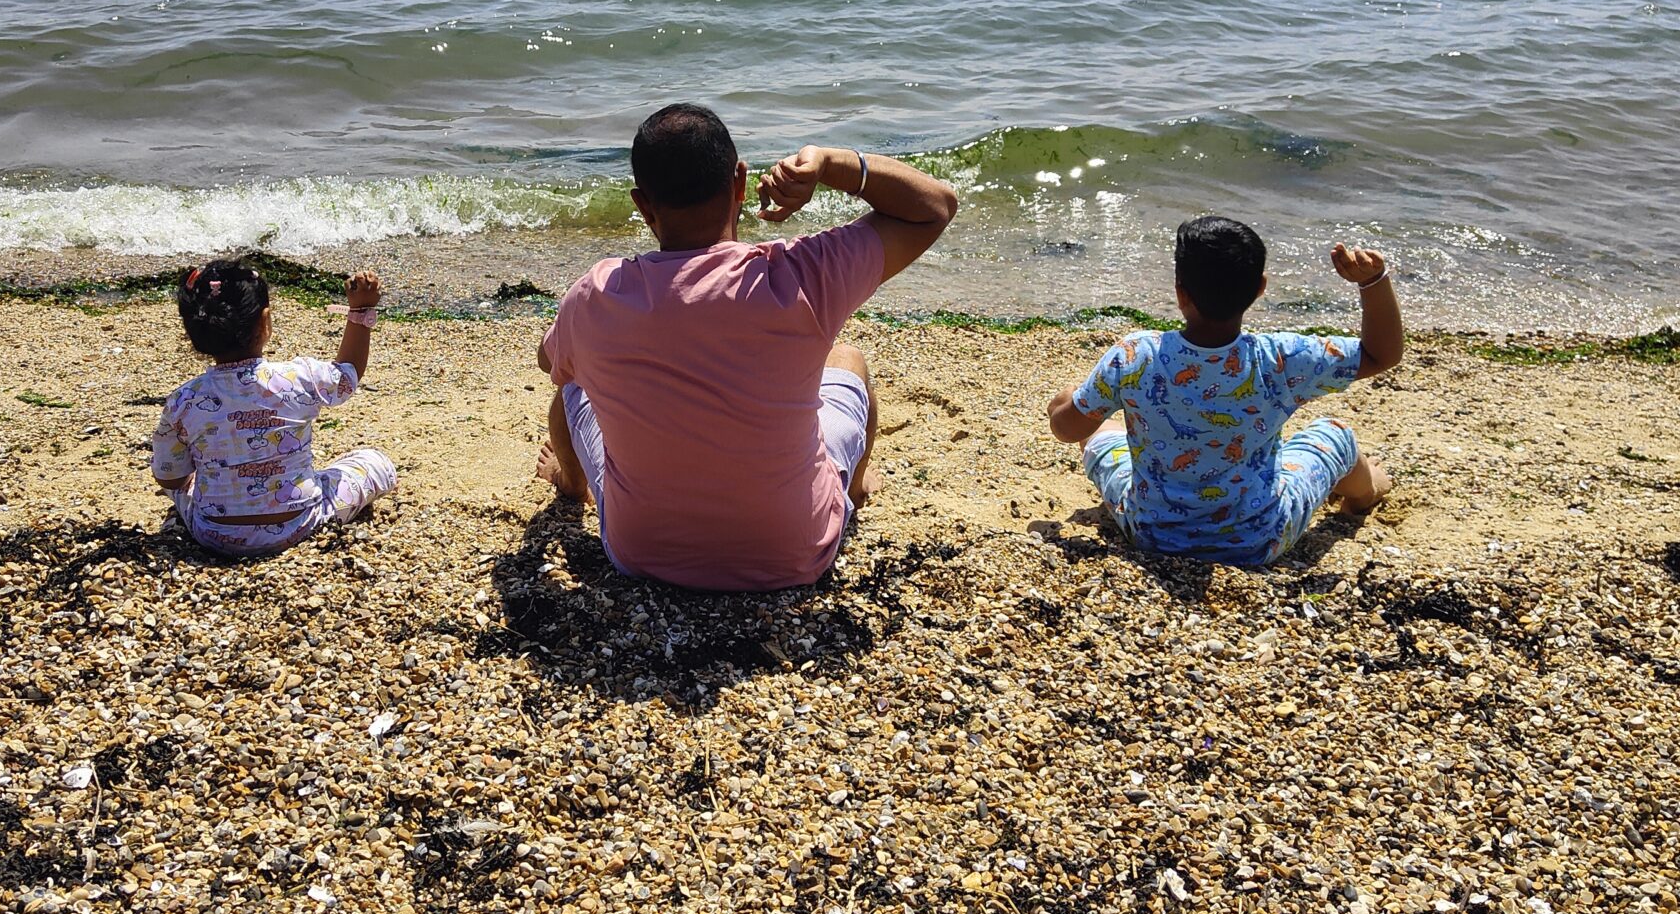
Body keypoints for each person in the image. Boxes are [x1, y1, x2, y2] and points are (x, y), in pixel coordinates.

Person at [535, 102, 959, 592]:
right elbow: (934, 207)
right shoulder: (800, 275)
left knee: (572, 383)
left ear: (643, 205)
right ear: (739, 182)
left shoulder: (595, 295)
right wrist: (829, 164)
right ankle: (855, 485)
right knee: (848, 360)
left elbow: (550, 361)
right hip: (795, 552)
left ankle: (571, 482)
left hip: (644, 553)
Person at [1045, 217, 1399, 566]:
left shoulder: (1136, 355)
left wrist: (1066, 402)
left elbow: (1067, 429)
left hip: (1152, 533)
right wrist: (1373, 282)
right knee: (1335, 434)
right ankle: (1364, 493)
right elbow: (1380, 355)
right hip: (1258, 540)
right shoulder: (1281, 358)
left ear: (1180, 292)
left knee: (1100, 429)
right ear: (1260, 288)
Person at [151, 259, 397, 556]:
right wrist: (360, 309)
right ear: (265, 322)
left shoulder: (183, 400)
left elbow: (170, 477)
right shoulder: (298, 378)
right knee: (375, 462)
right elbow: (347, 374)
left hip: (214, 534)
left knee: (180, 484)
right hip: (301, 523)